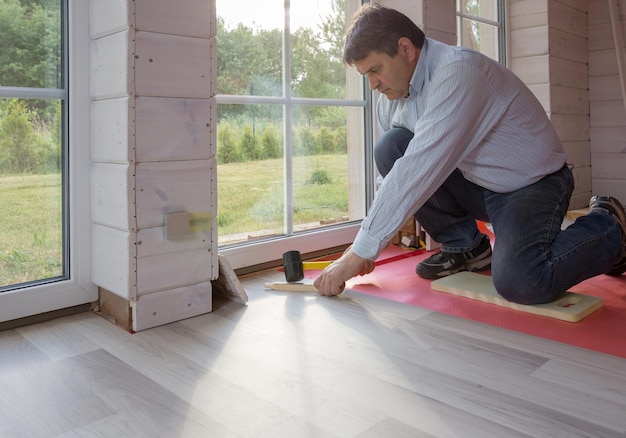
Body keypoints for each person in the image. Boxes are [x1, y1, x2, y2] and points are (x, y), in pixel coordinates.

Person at [313, 3, 626, 304]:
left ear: (406, 49)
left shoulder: (457, 72)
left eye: (376, 70)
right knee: (392, 146)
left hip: (532, 185)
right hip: (477, 181)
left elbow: (418, 167)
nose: (372, 84)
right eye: (365, 75)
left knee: (521, 280)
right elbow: (399, 171)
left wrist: (359, 251)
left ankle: (608, 225)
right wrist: (373, 244)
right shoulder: (392, 97)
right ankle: (467, 246)